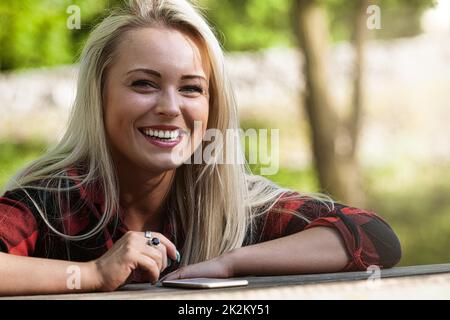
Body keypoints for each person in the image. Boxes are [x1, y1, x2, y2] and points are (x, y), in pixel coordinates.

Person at [0, 0, 401, 296]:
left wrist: (227, 263)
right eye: (144, 83)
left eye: (191, 88)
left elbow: (373, 238)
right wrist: (93, 274)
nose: (170, 108)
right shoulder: (53, 202)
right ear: (99, 97)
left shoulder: (231, 205)